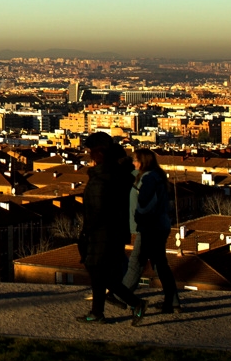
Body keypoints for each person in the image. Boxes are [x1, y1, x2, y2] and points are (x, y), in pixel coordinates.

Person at [77, 132, 146, 325]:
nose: (88, 156)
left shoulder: (103, 178)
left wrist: (87, 232)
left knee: (100, 273)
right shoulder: (115, 174)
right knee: (103, 275)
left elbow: (97, 209)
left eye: (90, 152)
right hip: (111, 231)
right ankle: (100, 311)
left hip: (101, 232)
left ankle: (133, 304)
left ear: (98, 154)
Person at [123, 148, 180, 313]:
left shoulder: (148, 179)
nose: (134, 163)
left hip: (150, 228)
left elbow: (145, 204)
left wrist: (138, 216)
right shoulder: (156, 176)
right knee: (160, 265)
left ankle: (120, 297)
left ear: (143, 162)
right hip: (160, 225)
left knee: (136, 263)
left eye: (136, 160)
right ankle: (173, 302)